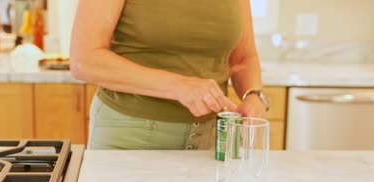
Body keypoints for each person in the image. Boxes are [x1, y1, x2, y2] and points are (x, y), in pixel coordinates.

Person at [70, 0, 270, 150]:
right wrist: (178, 86)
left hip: (210, 141)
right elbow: (85, 59)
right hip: (130, 138)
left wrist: (253, 95)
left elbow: (243, 58)